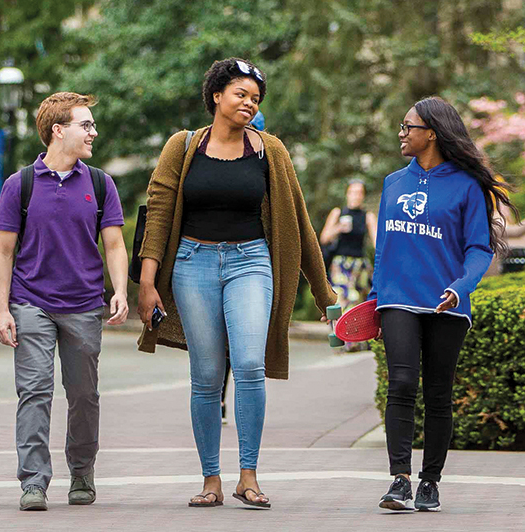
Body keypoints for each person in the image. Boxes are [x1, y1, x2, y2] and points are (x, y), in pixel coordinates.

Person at [135, 58, 337, 510]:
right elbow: (160, 212)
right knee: (206, 377)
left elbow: (299, 224)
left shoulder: (270, 150)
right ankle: (211, 479)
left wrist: (324, 294)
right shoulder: (182, 146)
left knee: (248, 364)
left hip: (251, 262)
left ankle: (249, 475)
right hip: (191, 263)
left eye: (255, 98)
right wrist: (147, 284)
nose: (249, 103)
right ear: (216, 97)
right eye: (241, 94)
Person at [370, 97, 515, 512]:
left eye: (408, 126)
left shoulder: (468, 186)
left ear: (431, 132)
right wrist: (374, 299)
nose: (401, 132)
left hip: (446, 304)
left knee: (437, 393)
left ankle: (429, 482)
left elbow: (478, 248)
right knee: (400, 384)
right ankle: (398, 478)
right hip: (397, 299)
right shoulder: (393, 183)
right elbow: (384, 247)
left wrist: (461, 287)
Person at [0, 92, 129, 512]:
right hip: (31, 302)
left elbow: (115, 244)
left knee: (84, 394)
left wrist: (119, 289)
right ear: (58, 130)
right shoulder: (21, 184)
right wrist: (2, 310)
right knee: (34, 392)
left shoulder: (101, 184)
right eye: (85, 125)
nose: (93, 132)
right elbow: (3, 252)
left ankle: (82, 472)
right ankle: (33, 482)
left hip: (85, 304)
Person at [319, 180, 378, 320]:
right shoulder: (338, 212)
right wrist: (339, 228)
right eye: (353, 192)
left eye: (359, 193)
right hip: (341, 264)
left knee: (360, 302)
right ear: (347, 194)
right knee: (342, 299)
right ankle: (341, 337)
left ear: (363, 196)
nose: (356, 196)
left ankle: (357, 340)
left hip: (360, 266)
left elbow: (377, 242)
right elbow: (324, 238)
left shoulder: (368, 216)